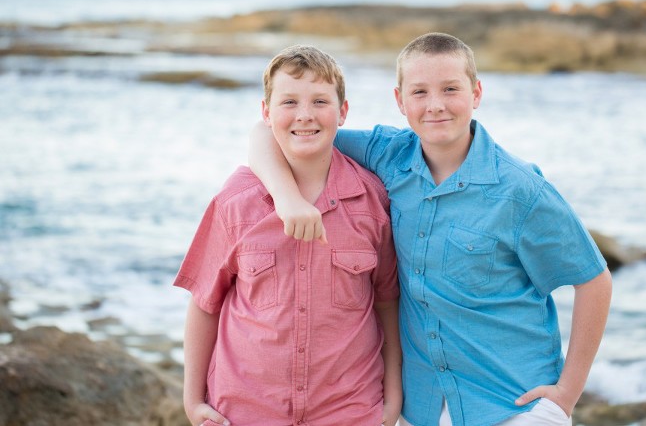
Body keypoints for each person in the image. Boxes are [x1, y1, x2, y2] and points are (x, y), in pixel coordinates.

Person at [248, 33, 612, 426]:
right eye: (419, 92)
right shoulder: (388, 154)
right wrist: (287, 200)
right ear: (400, 101)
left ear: (476, 93)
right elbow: (270, 132)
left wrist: (566, 394)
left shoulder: (520, 189)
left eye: (450, 89)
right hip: (421, 408)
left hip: (513, 404)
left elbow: (594, 281)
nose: (435, 105)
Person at [175, 45, 402, 426]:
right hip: (246, 409)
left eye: (320, 101)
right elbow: (204, 303)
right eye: (289, 102)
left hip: (348, 409)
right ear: (266, 113)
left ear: (343, 112)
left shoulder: (372, 201)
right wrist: (192, 401)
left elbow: (386, 303)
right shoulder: (236, 202)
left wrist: (392, 399)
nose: (305, 115)